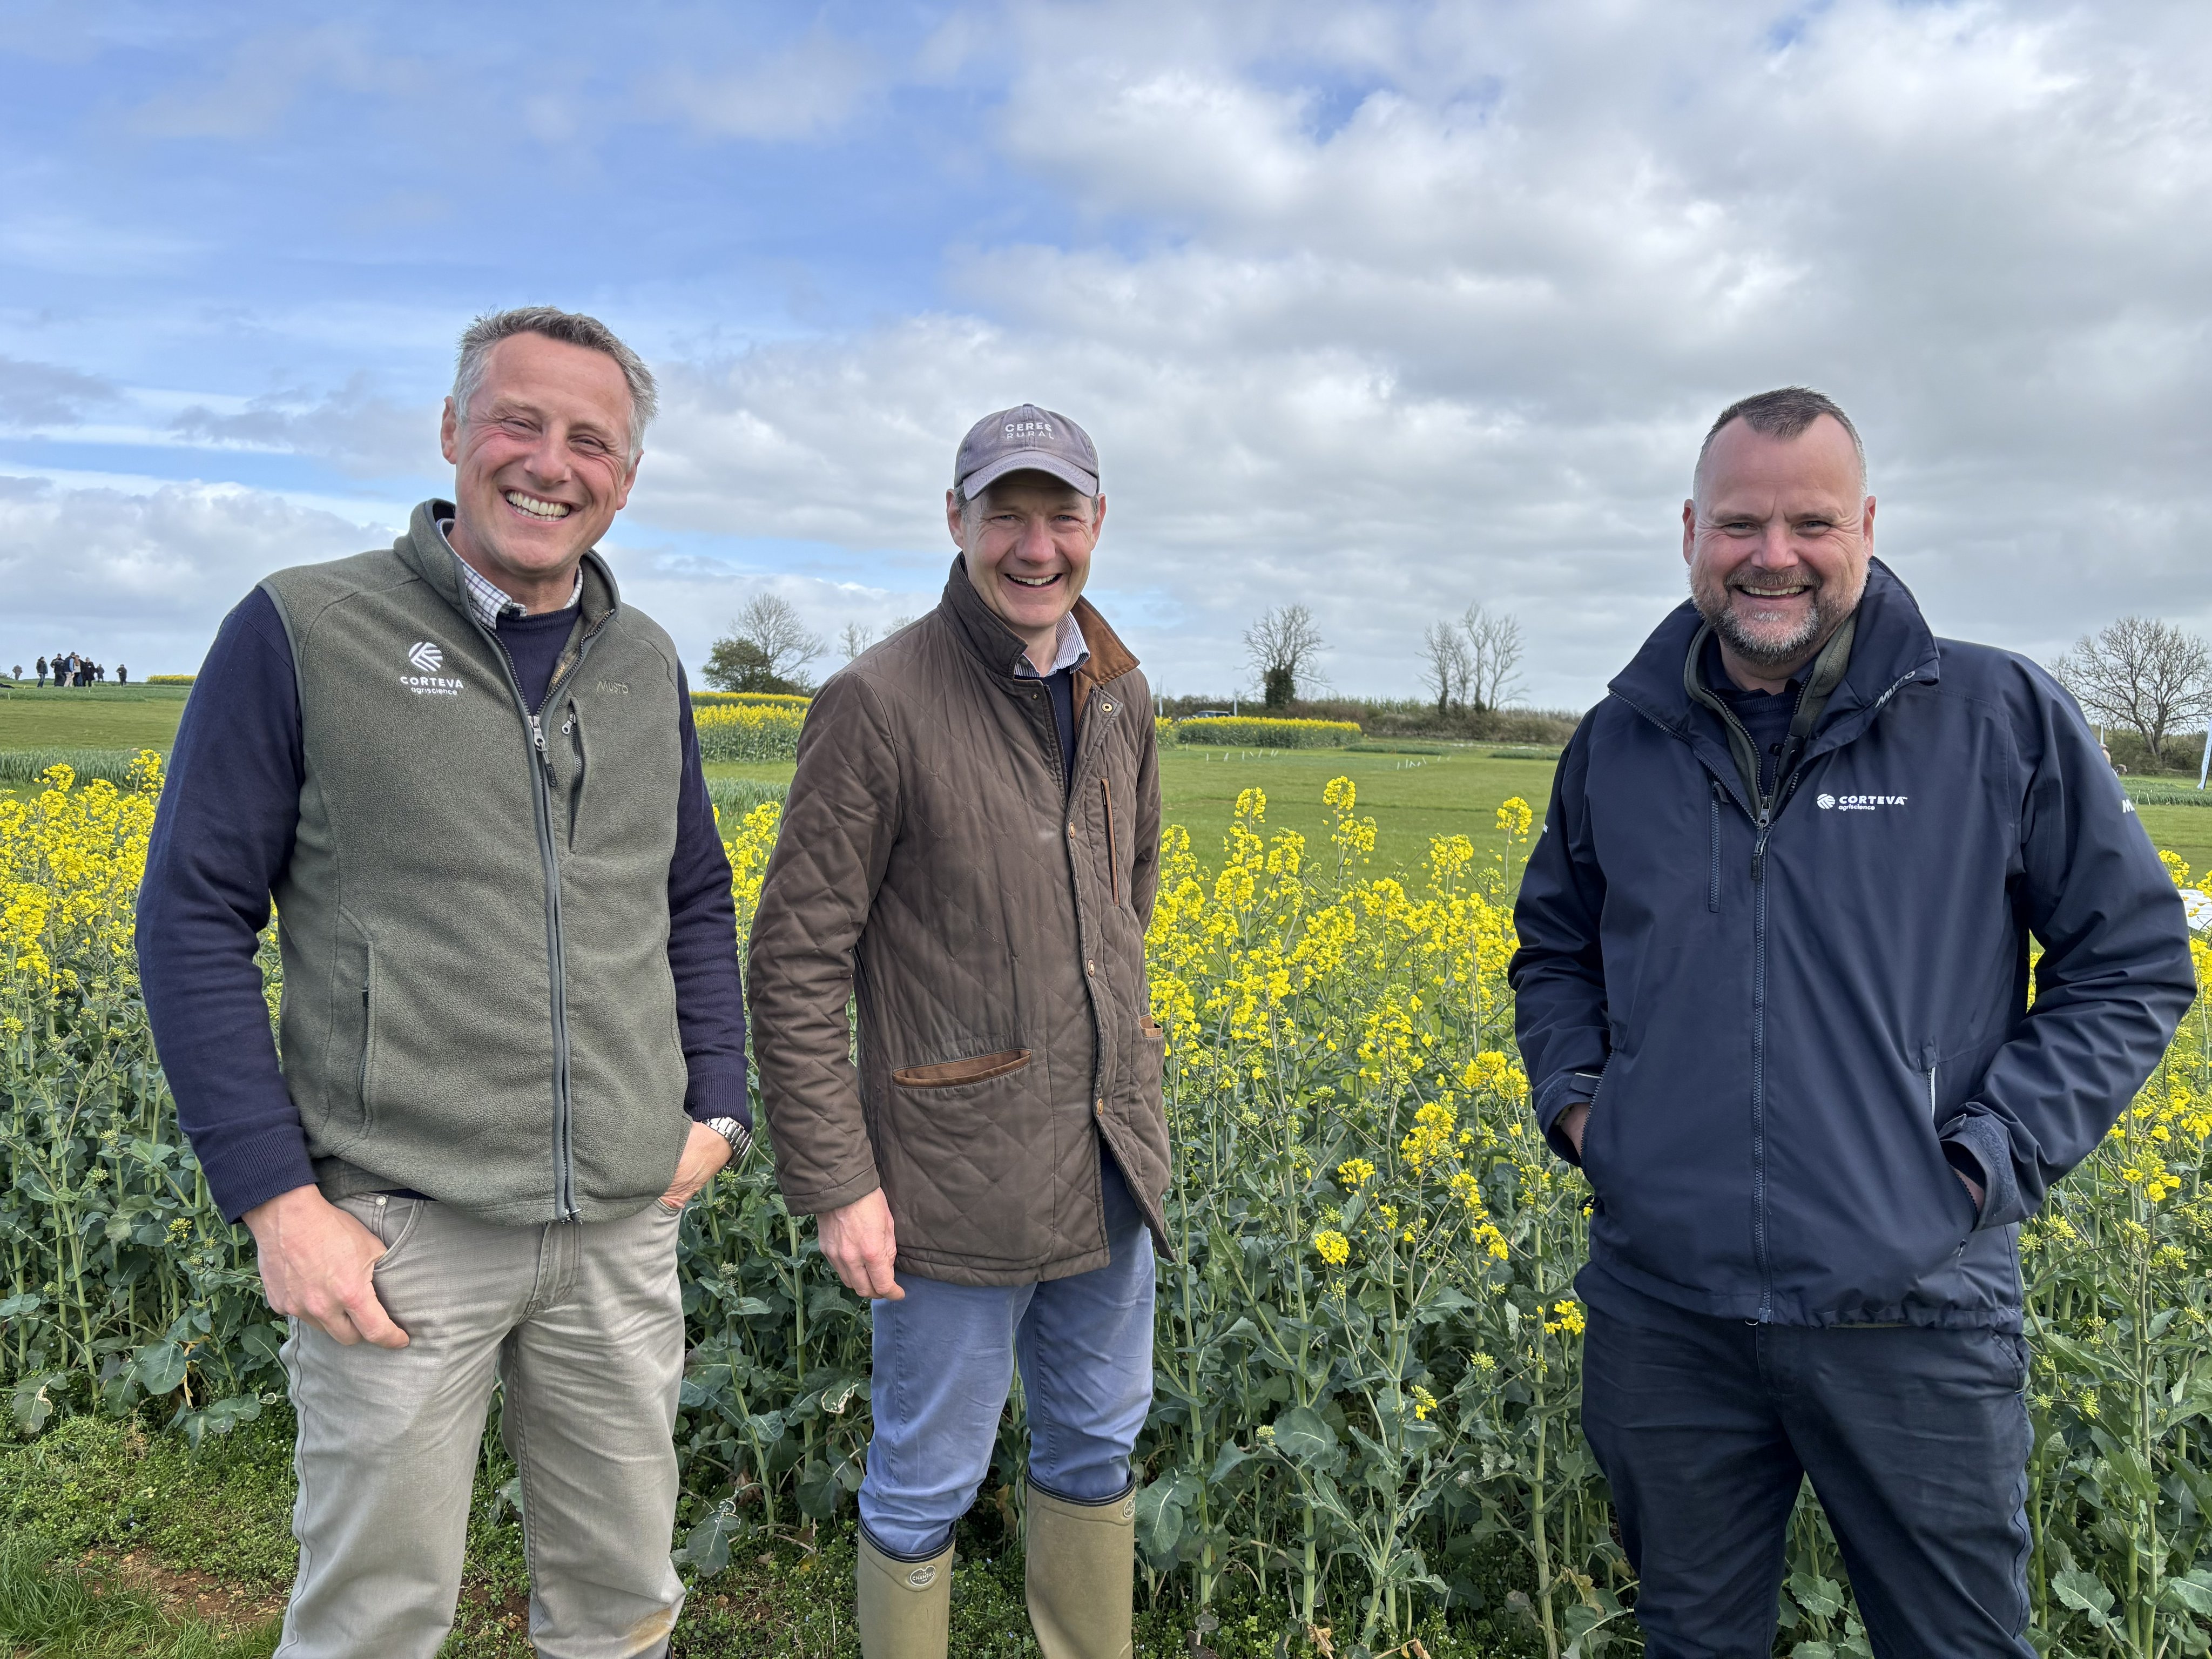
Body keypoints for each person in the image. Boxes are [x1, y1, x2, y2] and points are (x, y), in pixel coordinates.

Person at [1510, 386, 2195, 1656]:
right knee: (1690, 1638)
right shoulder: (1618, 741)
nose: (1772, 556)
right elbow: (1553, 949)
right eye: (1738, 524)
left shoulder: (1995, 718)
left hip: (1917, 1307)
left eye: (1809, 521)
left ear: (1866, 525)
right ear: (1688, 533)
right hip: (1667, 1311)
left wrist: (1981, 1161)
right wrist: (1586, 1115)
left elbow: (2132, 961)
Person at [137, 306, 752, 1659]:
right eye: (518, 422)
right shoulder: (304, 627)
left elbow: (691, 893)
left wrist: (719, 1103)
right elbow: (191, 921)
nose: (550, 463)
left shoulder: (643, 659)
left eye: (591, 440)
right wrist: (279, 1207)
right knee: (373, 1616)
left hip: (617, 1230)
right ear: (452, 434)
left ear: (627, 478)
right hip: (398, 1234)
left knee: (620, 1606)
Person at [748, 405, 1166, 1659]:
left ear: (1097, 525)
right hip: (945, 1179)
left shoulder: (1121, 692)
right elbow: (793, 960)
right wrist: (838, 1183)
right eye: (1005, 514)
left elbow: (1124, 904)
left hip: (1107, 1160)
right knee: (926, 1475)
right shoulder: (874, 703)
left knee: (1098, 1445)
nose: (1034, 547)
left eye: (1060, 515)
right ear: (955, 521)